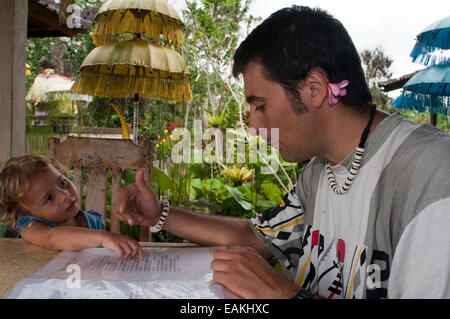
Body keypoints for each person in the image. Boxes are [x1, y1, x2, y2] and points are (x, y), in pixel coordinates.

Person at [115, 6, 450, 298]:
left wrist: (281, 293)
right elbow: (254, 237)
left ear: (314, 89)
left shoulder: (430, 178)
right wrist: (159, 213)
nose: (253, 126)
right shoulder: (319, 171)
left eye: (260, 105)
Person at [0, 155, 143, 258]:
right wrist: (103, 237)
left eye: (62, 183)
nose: (64, 195)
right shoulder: (31, 228)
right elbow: (52, 238)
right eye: (49, 198)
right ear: (26, 212)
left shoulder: (89, 221)